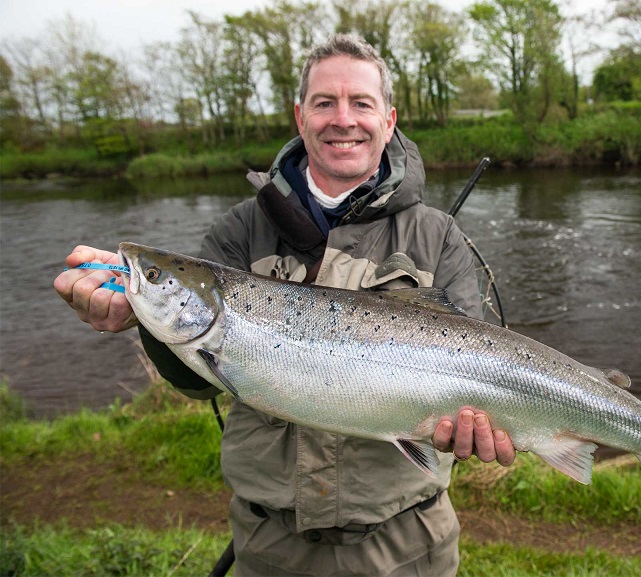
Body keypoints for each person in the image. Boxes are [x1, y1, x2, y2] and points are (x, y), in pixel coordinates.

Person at [55, 33, 515, 577]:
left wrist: (479, 428)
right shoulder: (237, 232)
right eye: (325, 103)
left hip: (409, 545)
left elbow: (478, 379)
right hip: (269, 546)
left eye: (361, 103)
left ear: (389, 121)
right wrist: (142, 317)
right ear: (301, 116)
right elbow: (199, 380)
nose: (343, 119)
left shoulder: (439, 236)